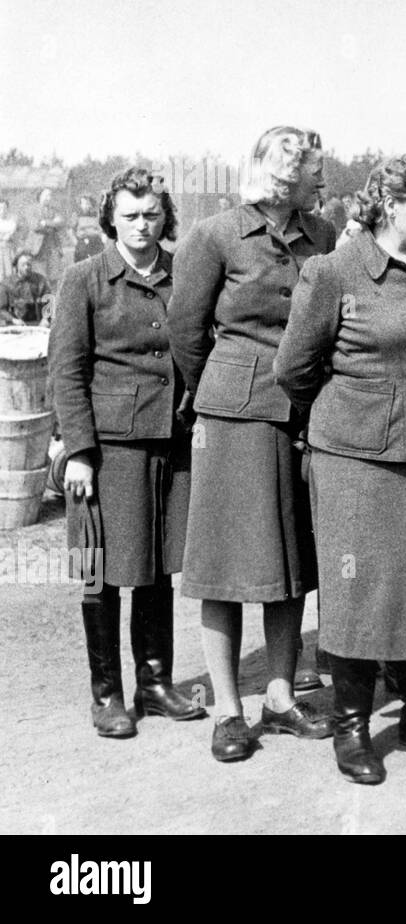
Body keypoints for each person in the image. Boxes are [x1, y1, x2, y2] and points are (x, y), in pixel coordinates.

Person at [275, 152, 406, 785]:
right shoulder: (333, 271)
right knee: (363, 593)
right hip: (359, 461)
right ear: (390, 204)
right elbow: (294, 369)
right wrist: (358, 414)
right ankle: (351, 726)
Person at [170, 125, 336, 763]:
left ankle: (280, 697)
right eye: (315, 171)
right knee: (224, 563)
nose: (323, 181)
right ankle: (227, 711)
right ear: (284, 173)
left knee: (291, 561)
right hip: (235, 416)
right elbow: (188, 332)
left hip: (306, 413)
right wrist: (220, 387)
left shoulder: (322, 235)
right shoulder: (214, 236)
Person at [50, 167, 207, 738]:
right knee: (100, 571)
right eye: (131, 215)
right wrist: (81, 452)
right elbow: (66, 373)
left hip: (171, 443)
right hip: (109, 450)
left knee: (155, 568)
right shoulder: (84, 280)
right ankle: (107, 693)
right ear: (110, 219)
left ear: (166, 218)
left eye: (152, 214)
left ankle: (155, 684)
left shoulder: (181, 278)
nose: (142, 226)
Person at [0, 250, 53, 325]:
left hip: (39, 324)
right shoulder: (6, 284)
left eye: (29, 264)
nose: (27, 267)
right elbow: (1, 309)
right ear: (16, 266)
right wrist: (13, 320)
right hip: (16, 325)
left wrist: (46, 319)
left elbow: (50, 300)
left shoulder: (41, 280)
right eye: (23, 265)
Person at [31, 187, 69, 286]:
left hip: (53, 245)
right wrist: (52, 223)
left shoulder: (54, 210)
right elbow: (35, 226)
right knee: (39, 276)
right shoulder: (32, 210)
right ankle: (39, 299)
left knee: (54, 275)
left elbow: (61, 223)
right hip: (38, 247)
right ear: (40, 196)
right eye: (46, 195)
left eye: (50, 195)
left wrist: (45, 223)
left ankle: (52, 299)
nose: (49, 198)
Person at [73, 194, 106, 262]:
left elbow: (102, 228)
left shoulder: (96, 215)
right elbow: (70, 230)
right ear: (80, 205)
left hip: (95, 241)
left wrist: (103, 238)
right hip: (82, 242)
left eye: (87, 203)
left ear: (91, 204)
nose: (86, 206)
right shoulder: (77, 215)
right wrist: (75, 242)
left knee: (98, 261)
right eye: (83, 203)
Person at [0, 198, 24, 280]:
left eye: (4, 208)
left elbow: (15, 235)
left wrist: (10, 236)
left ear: (7, 209)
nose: (2, 210)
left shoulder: (11, 222)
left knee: (9, 272)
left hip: (9, 250)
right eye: (0, 208)